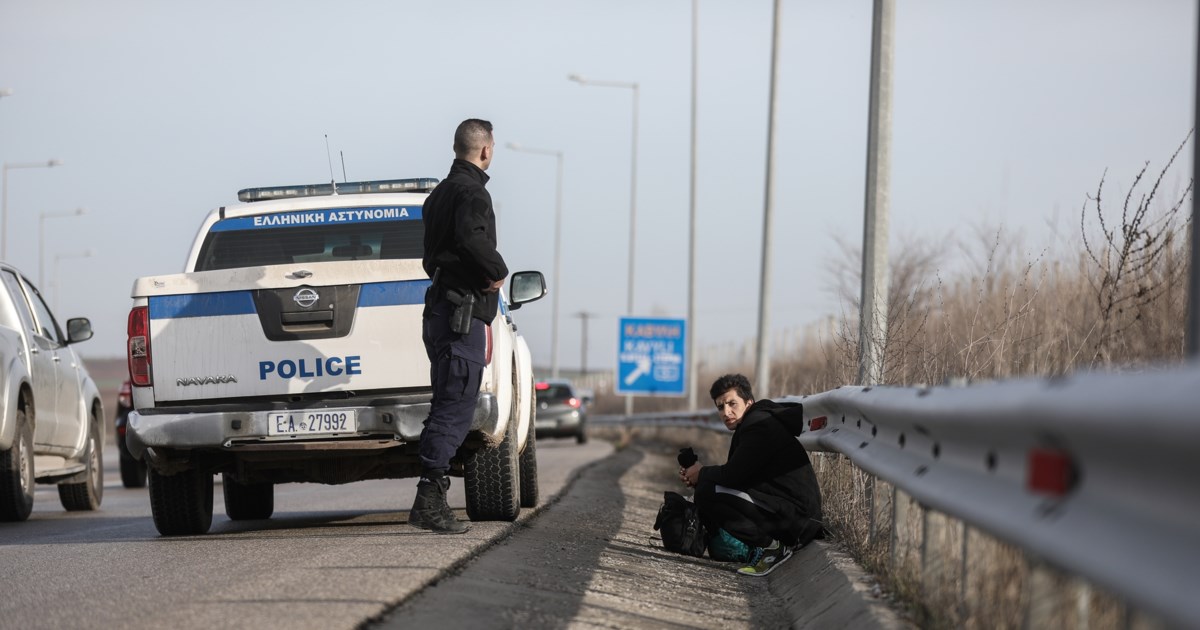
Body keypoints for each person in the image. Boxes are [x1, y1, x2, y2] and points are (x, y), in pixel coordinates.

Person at [409, 118, 508, 534]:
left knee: (447, 403)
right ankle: (429, 501)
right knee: (454, 407)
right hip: (460, 314)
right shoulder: (473, 192)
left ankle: (430, 497)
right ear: (485, 150)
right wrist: (497, 270)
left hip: (441, 310)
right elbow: (472, 240)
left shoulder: (438, 196)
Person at [680, 374, 824, 576]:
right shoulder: (752, 423)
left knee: (707, 491)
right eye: (721, 407)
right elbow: (737, 475)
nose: (726, 412)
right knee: (707, 486)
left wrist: (701, 474)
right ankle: (769, 545)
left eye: (732, 404)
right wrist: (701, 474)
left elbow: (732, 476)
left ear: (748, 402)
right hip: (792, 512)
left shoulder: (759, 426)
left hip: (798, 520)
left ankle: (772, 547)